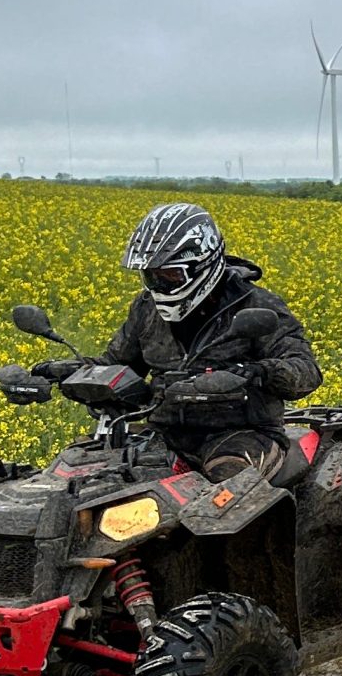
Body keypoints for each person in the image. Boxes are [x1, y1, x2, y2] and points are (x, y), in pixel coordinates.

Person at [103, 203, 322, 477]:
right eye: (152, 276)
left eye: (170, 275)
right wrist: (69, 372)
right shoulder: (147, 308)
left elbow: (306, 370)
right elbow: (118, 365)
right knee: (97, 471)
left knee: (228, 483)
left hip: (243, 435)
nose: (159, 286)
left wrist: (253, 373)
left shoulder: (256, 305)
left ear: (202, 264)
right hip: (166, 432)